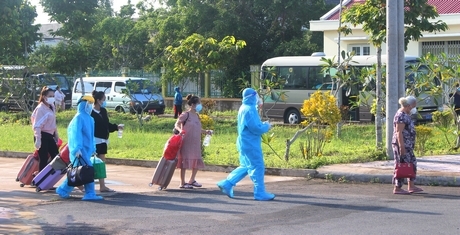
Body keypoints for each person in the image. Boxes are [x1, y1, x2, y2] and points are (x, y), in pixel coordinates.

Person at [216, 88, 275, 201]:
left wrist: (261, 125)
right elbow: (255, 128)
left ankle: (227, 183)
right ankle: (260, 193)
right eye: (256, 96)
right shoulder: (250, 110)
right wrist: (266, 126)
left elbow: (251, 124)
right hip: (250, 143)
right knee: (257, 166)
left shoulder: (244, 108)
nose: (258, 98)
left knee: (246, 166)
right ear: (252, 96)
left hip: (244, 142)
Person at [56, 95, 103, 200]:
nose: (90, 106)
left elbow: (91, 136)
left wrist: (93, 148)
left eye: (91, 103)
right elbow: (75, 135)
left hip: (86, 150)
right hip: (79, 151)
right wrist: (77, 149)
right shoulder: (78, 118)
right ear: (83, 104)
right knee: (86, 171)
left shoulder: (90, 119)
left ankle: (62, 190)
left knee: (78, 173)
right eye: (88, 103)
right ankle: (90, 194)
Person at [174, 94, 211, 189]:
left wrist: (205, 131)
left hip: (195, 143)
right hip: (186, 142)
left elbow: (198, 129)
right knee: (184, 162)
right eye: (199, 103)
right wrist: (180, 130)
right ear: (193, 104)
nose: (200, 105)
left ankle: (192, 180)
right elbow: (176, 124)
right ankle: (182, 183)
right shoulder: (185, 115)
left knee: (197, 160)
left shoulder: (197, 116)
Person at [392, 95, 423, 195]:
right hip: (402, 144)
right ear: (408, 105)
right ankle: (397, 187)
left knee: (412, 163)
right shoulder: (400, 115)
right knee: (401, 164)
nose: (414, 109)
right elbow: (398, 132)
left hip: (408, 145)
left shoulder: (406, 115)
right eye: (413, 106)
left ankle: (411, 185)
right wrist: (401, 147)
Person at [91, 90, 120, 192]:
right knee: (91, 163)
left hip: (103, 140)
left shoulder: (103, 111)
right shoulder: (90, 112)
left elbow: (106, 125)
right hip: (94, 140)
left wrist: (116, 127)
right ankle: (89, 185)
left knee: (101, 163)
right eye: (104, 99)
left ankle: (102, 185)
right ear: (98, 100)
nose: (105, 101)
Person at [31, 86, 60, 172]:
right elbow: (37, 126)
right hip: (42, 135)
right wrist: (38, 139)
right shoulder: (40, 109)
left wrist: (56, 135)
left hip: (50, 136)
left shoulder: (52, 106)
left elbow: (53, 123)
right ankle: (40, 181)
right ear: (44, 97)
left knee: (56, 156)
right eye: (50, 96)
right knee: (43, 158)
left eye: (53, 96)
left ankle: (47, 177)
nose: (52, 98)